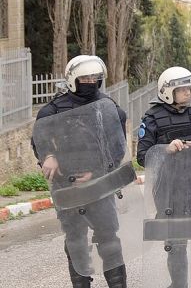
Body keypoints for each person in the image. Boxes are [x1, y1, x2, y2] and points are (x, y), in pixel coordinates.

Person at [33, 55, 130, 288]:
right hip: (66, 185)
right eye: (85, 77)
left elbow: (117, 149)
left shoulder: (109, 110)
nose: (90, 81)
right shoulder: (52, 111)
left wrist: (96, 173)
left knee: (109, 240)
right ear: (73, 79)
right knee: (75, 241)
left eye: (95, 77)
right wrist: (48, 156)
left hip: (99, 183)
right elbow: (40, 139)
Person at [137, 67, 191, 288]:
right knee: (176, 245)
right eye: (181, 89)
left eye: (189, 88)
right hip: (169, 193)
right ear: (168, 92)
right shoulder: (152, 118)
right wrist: (165, 148)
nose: (187, 92)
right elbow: (142, 156)